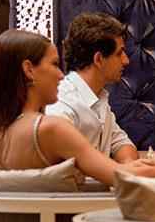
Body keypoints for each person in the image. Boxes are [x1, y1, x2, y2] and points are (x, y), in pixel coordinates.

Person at [0, 29, 155, 186]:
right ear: (29, 69)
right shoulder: (50, 129)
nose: (61, 74)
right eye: (54, 64)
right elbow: (124, 177)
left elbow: (119, 155)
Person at [46, 12, 137, 163]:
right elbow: (69, 168)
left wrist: (130, 166)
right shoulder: (62, 106)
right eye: (119, 53)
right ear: (99, 59)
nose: (126, 60)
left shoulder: (99, 97)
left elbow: (120, 143)